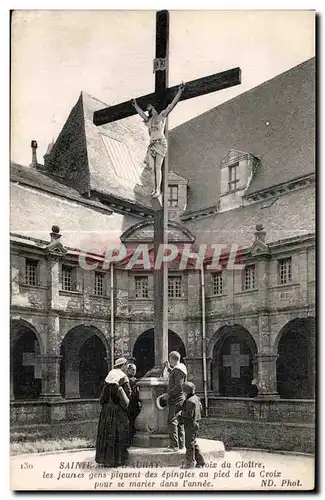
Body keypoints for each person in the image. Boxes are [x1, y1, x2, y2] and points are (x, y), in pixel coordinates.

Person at [131, 82, 185, 198]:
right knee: (151, 169)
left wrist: (179, 92)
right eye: (150, 109)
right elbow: (141, 114)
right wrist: (135, 105)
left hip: (160, 142)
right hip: (151, 145)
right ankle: (153, 189)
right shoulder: (149, 121)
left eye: (152, 107)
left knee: (157, 167)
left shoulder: (162, 116)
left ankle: (157, 190)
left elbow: (172, 105)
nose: (151, 109)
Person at [95, 357, 131, 467]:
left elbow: (102, 399)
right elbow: (128, 395)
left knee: (106, 434)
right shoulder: (123, 378)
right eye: (126, 365)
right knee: (119, 433)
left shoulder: (109, 378)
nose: (126, 367)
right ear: (123, 365)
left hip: (106, 411)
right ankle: (118, 460)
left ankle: (105, 459)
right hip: (118, 411)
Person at [181, 382, 205, 469]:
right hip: (196, 422)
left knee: (189, 444)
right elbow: (200, 409)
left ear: (186, 392)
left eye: (183, 391)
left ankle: (190, 464)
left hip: (190, 424)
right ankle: (201, 461)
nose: (183, 393)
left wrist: (180, 413)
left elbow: (188, 415)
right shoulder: (196, 398)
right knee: (193, 442)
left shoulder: (189, 401)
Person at [166, 351, 187, 451]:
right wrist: (169, 369)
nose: (169, 361)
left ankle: (174, 446)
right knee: (179, 422)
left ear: (172, 359)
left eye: (170, 359)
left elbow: (178, 385)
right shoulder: (179, 369)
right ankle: (181, 445)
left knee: (172, 420)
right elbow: (176, 377)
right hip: (179, 398)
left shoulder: (178, 370)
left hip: (176, 399)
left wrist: (168, 394)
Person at [126, 363, 141, 445]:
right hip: (130, 404)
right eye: (132, 369)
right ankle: (130, 442)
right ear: (128, 370)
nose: (134, 371)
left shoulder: (133, 379)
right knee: (131, 423)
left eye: (135, 370)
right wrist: (147, 375)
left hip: (135, 403)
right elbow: (135, 382)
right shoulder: (128, 379)